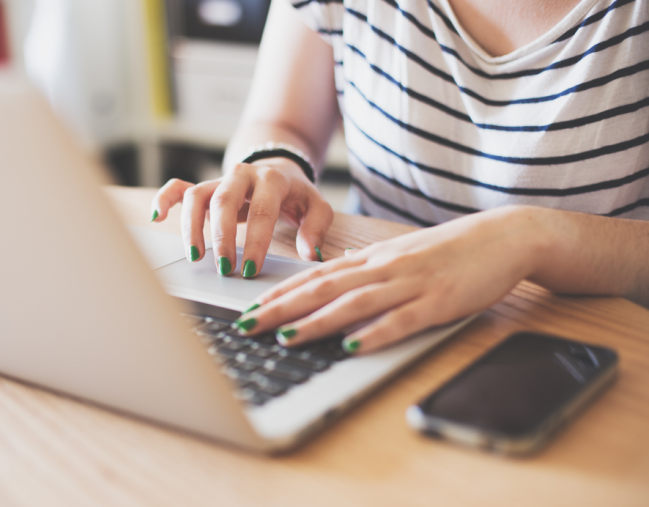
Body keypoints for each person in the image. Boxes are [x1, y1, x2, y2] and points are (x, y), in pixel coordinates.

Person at [151, 0, 649, 354]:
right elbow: (283, 122)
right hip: (373, 327)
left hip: (570, 353)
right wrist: (275, 166)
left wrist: (531, 237)